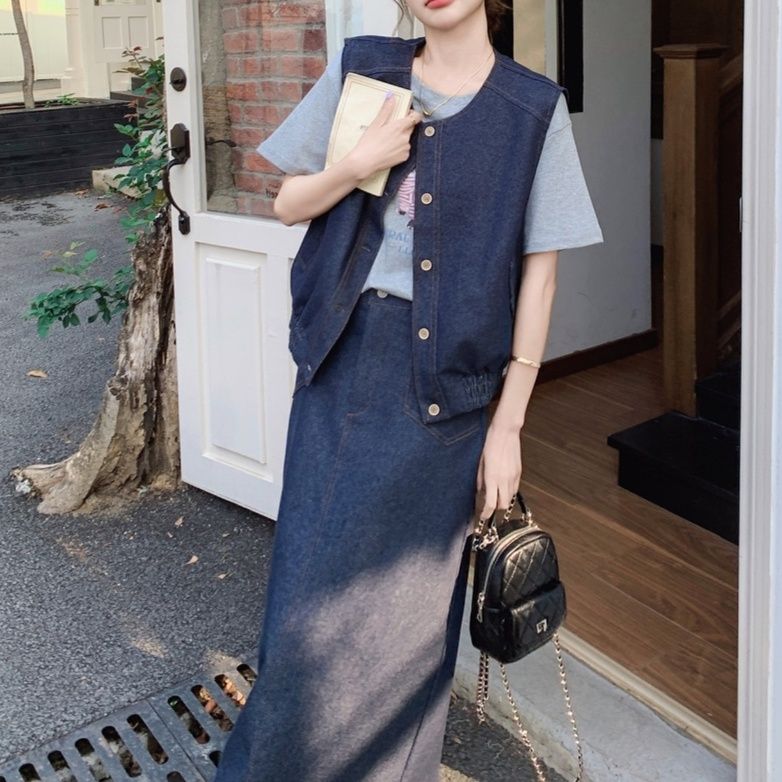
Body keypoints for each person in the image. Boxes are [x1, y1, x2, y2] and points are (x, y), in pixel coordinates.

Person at [213, 1, 603, 780]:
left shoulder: (532, 110)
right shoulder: (365, 70)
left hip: (448, 400)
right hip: (345, 367)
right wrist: (359, 161)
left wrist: (508, 427)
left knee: (413, 629)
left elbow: (540, 274)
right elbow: (288, 203)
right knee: (305, 614)